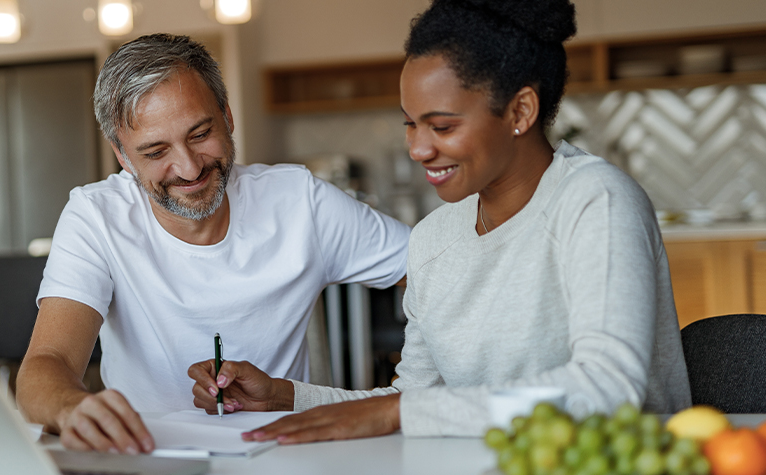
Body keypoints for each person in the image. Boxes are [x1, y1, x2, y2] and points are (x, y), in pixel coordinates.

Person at [188, 0, 691, 442]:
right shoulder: (434, 239)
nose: (418, 148)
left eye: (442, 125)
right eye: (410, 123)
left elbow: (607, 389)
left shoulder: (594, 200)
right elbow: (415, 400)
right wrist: (283, 396)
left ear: (520, 111)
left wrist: (399, 410)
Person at [15, 34, 410, 454]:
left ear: (227, 115)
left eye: (201, 133)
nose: (188, 168)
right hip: (148, 460)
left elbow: (439, 268)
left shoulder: (300, 202)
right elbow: (46, 365)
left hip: (284, 456)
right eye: (155, 152)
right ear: (123, 156)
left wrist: (432, 385)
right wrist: (71, 408)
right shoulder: (96, 217)